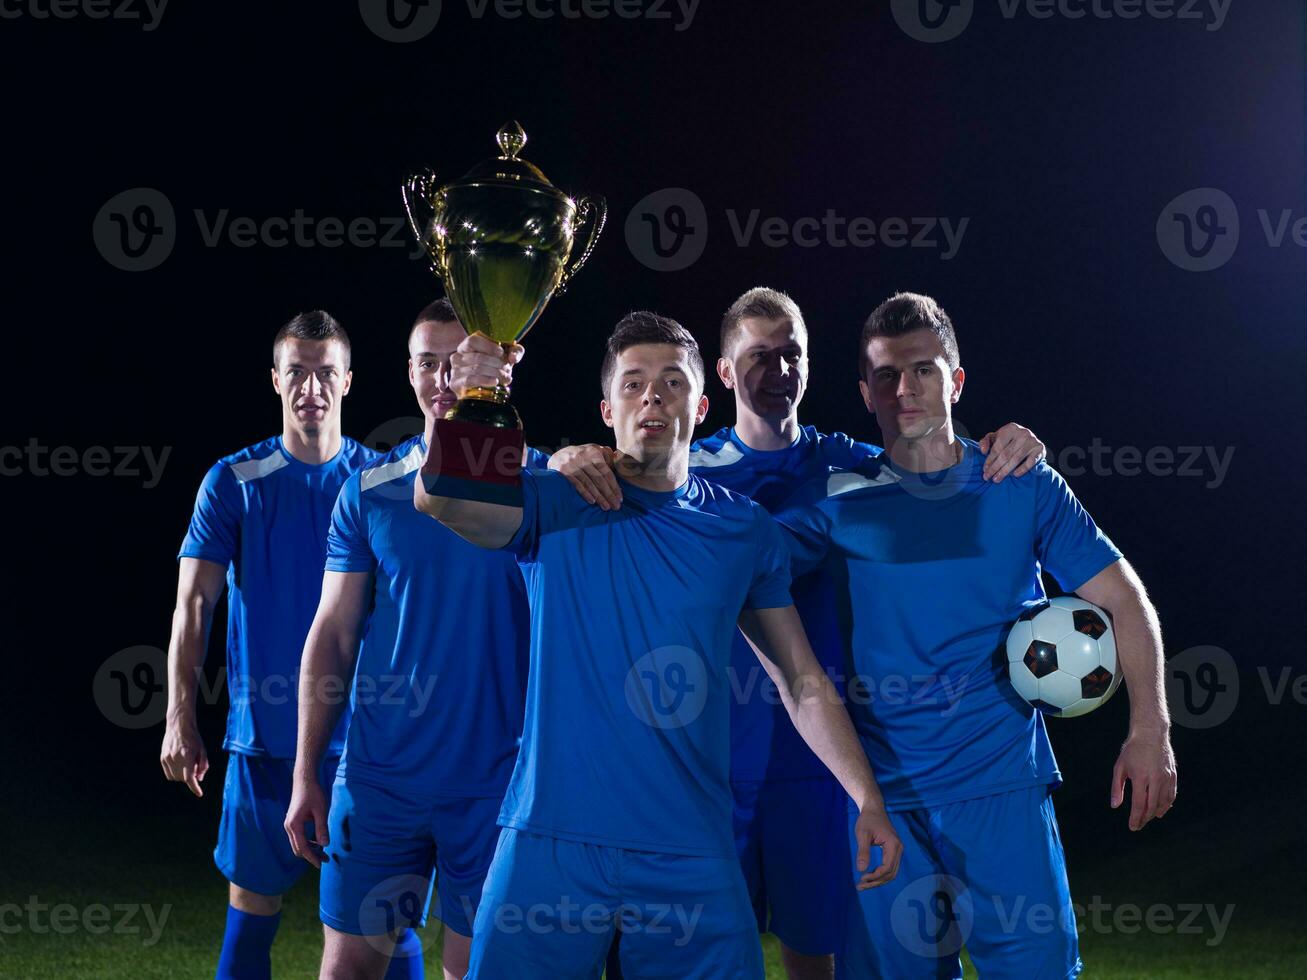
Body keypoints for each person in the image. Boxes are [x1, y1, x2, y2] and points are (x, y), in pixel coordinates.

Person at [549, 287, 1046, 980]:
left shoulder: (850, 469)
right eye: (757, 355)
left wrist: (1007, 442)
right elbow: (596, 515)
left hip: (819, 764)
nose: (777, 370)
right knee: (674, 958)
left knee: (819, 957)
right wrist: (566, 459)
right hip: (700, 761)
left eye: (792, 354)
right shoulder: (674, 471)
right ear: (720, 374)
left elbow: (933, 461)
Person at [414, 312, 903, 979]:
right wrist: (475, 400)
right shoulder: (556, 501)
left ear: (701, 407)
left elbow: (799, 678)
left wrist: (866, 798)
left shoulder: (741, 530)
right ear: (607, 407)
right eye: (634, 382)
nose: (652, 395)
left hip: (690, 850)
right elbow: (442, 500)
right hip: (548, 842)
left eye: (672, 382)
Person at [775, 292, 1177, 978]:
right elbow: (724, 561)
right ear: (864, 392)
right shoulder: (836, 498)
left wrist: (1149, 730)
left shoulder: (1019, 482)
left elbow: (1124, 600)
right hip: (884, 801)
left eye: (924, 370)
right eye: (885, 376)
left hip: (1000, 791)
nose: (904, 389)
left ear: (955, 381)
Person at [284, 298, 549, 980]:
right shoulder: (367, 491)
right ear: (408, 371)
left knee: (473, 973)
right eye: (428, 363)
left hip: (497, 782)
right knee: (345, 972)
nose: (442, 379)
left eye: (458, 364)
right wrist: (306, 769)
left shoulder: (538, 485)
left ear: (490, 370)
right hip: (380, 779)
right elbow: (334, 633)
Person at [162, 311, 379, 980]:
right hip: (262, 744)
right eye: (297, 372)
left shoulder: (381, 481)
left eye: (324, 373)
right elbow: (193, 603)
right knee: (250, 920)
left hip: (365, 747)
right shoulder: (234, 480)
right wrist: (178, 717)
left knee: (380, 928)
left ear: (347, 380)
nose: (310, 387)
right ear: (276, 380)